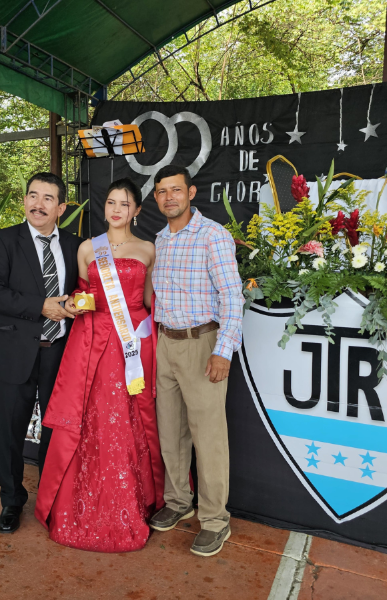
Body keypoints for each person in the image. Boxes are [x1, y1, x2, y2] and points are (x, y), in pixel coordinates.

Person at [35, 178, 165, 552]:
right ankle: (79, 504)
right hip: (92, 341)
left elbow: (146, 299)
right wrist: (76, 303)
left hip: (131, 345)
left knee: (129, 418)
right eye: (110, 202)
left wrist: (141, 336)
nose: (116, 209)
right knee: (90, 417)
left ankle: (133, 503)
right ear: (103, 207)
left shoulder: (148, 249)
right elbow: (82, 294)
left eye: (124, 204)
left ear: (137, 211)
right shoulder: (89, 248)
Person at [0, 172, 82, 535]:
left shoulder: (75, 245)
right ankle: (11, 501)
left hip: (61, 354)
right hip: (14, 351)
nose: (38, 204)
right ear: (24, 201)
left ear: (61, 207)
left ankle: (51, 499)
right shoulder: (2, 241)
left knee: (55, 431)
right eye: (32, 196)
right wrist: (41, 307)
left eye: (48, 198)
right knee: (10, 433)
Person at [148, 165, 244, 558]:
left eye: (175, 190)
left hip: (202, 343)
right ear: (155, 198)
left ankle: (215, 520)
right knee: (170, 431)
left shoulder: (213, 235)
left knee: (208, 437)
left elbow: (233, 296)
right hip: (165, 344)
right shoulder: (160, 239)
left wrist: (224, 349)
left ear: (191, 193)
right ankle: (177, 501)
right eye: (160, 192)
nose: (168, 197)